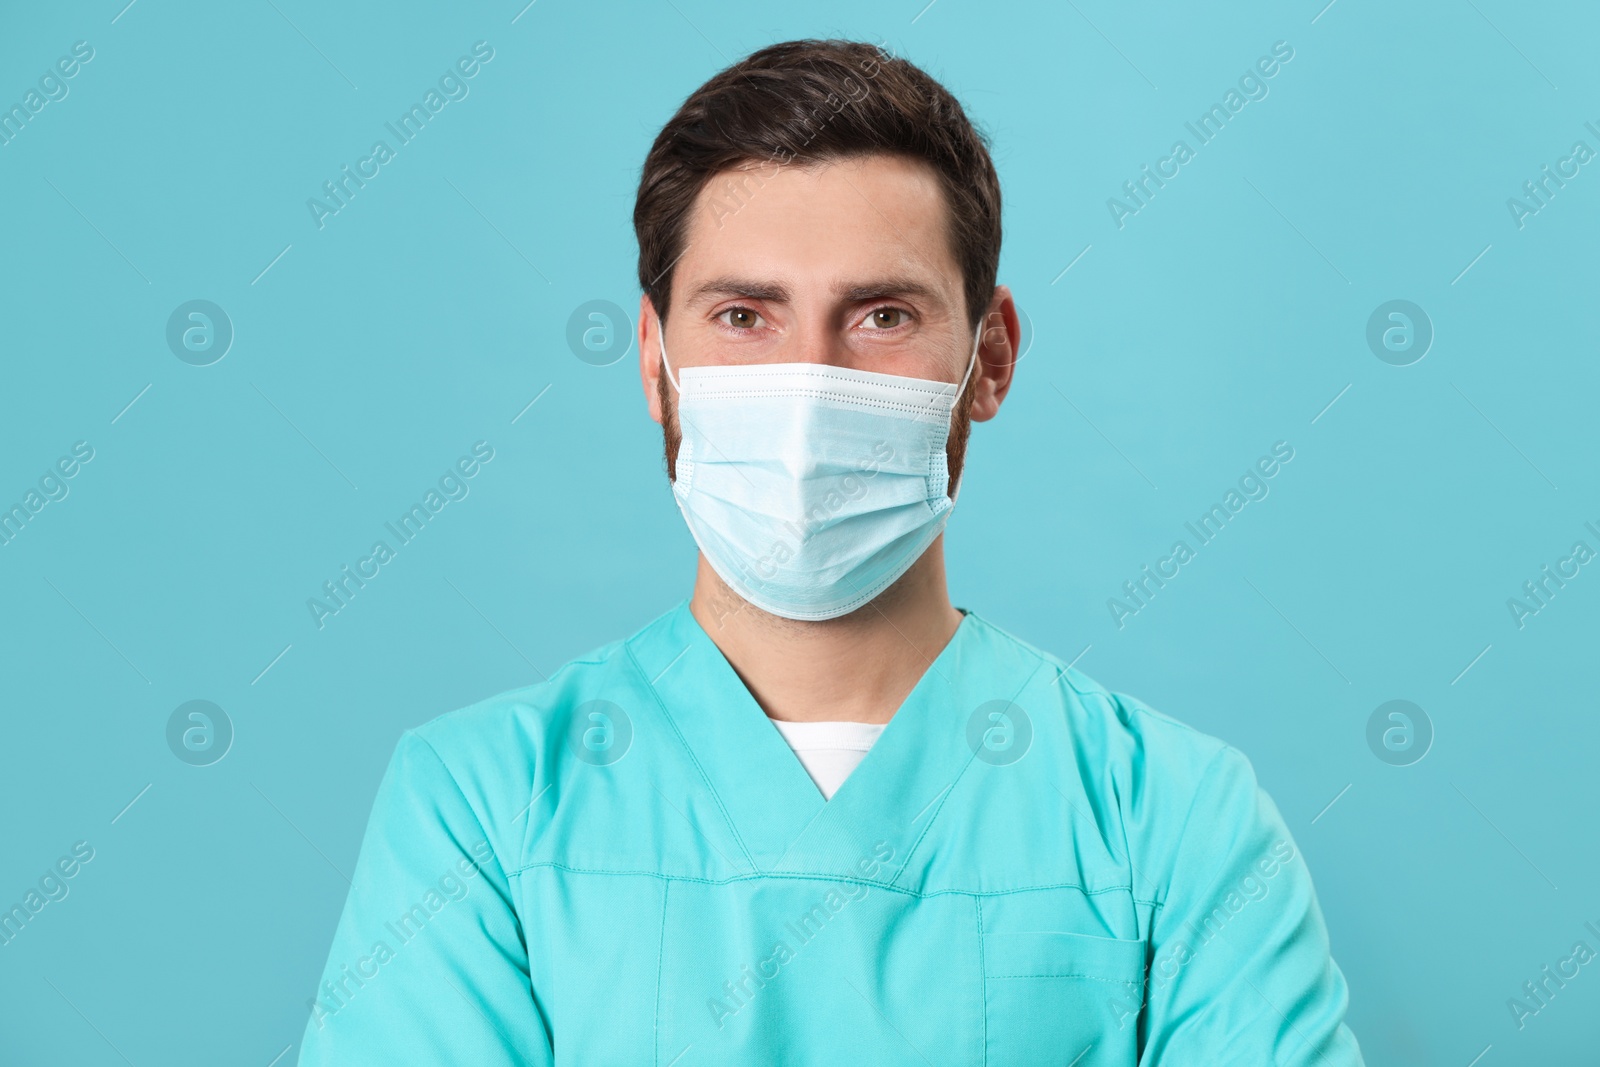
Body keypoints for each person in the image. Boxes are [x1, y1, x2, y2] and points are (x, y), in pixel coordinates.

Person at [298, 38, 1365, 1065]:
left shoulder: (1172, 823)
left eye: (881, 315)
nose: (808, 383)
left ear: (987, 358)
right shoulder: (483, 808)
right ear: (654, 361)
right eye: (744, 316)